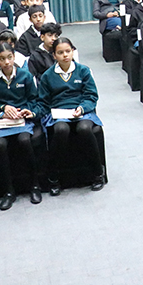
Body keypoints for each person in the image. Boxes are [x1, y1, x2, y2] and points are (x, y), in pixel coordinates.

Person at [38, 37, 105, 194]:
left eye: (68, 51)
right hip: (59, 113)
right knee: (61, 129)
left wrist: (82, 108)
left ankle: (97, 173)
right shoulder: (47, 76)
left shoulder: (83, 71)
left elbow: (91, 96)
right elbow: (43, 101)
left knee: (84, 128)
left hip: (82, 111)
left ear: (73, 51)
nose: (65, 55)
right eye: (60, 52)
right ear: (54, 55)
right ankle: (54, 177)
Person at [0, 43, 44, 210]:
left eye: (9, 57)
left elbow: (34, 100)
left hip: (22, 120)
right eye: (2, 59)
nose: (7, 62)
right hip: (2, 122)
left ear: (14, 57)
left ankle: (34, 185)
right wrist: (3, 109)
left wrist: (27, 110)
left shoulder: (25, 76)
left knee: (25, 140)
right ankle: (8, 191)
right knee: (0, 145)